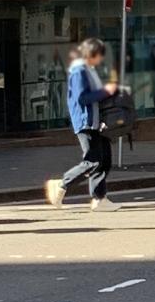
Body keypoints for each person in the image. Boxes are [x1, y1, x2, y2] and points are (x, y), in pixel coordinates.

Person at [44, 38, 119, 211]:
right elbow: (82, 98)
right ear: (92, 54)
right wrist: (105, 91)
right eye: (100, 55)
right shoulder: (79, 71)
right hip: (85, 121)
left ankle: (99, 198)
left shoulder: (89, 70)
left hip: (95, 121)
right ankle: (62, 184)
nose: (101, 59)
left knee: (104, 159)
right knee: (92, 161)